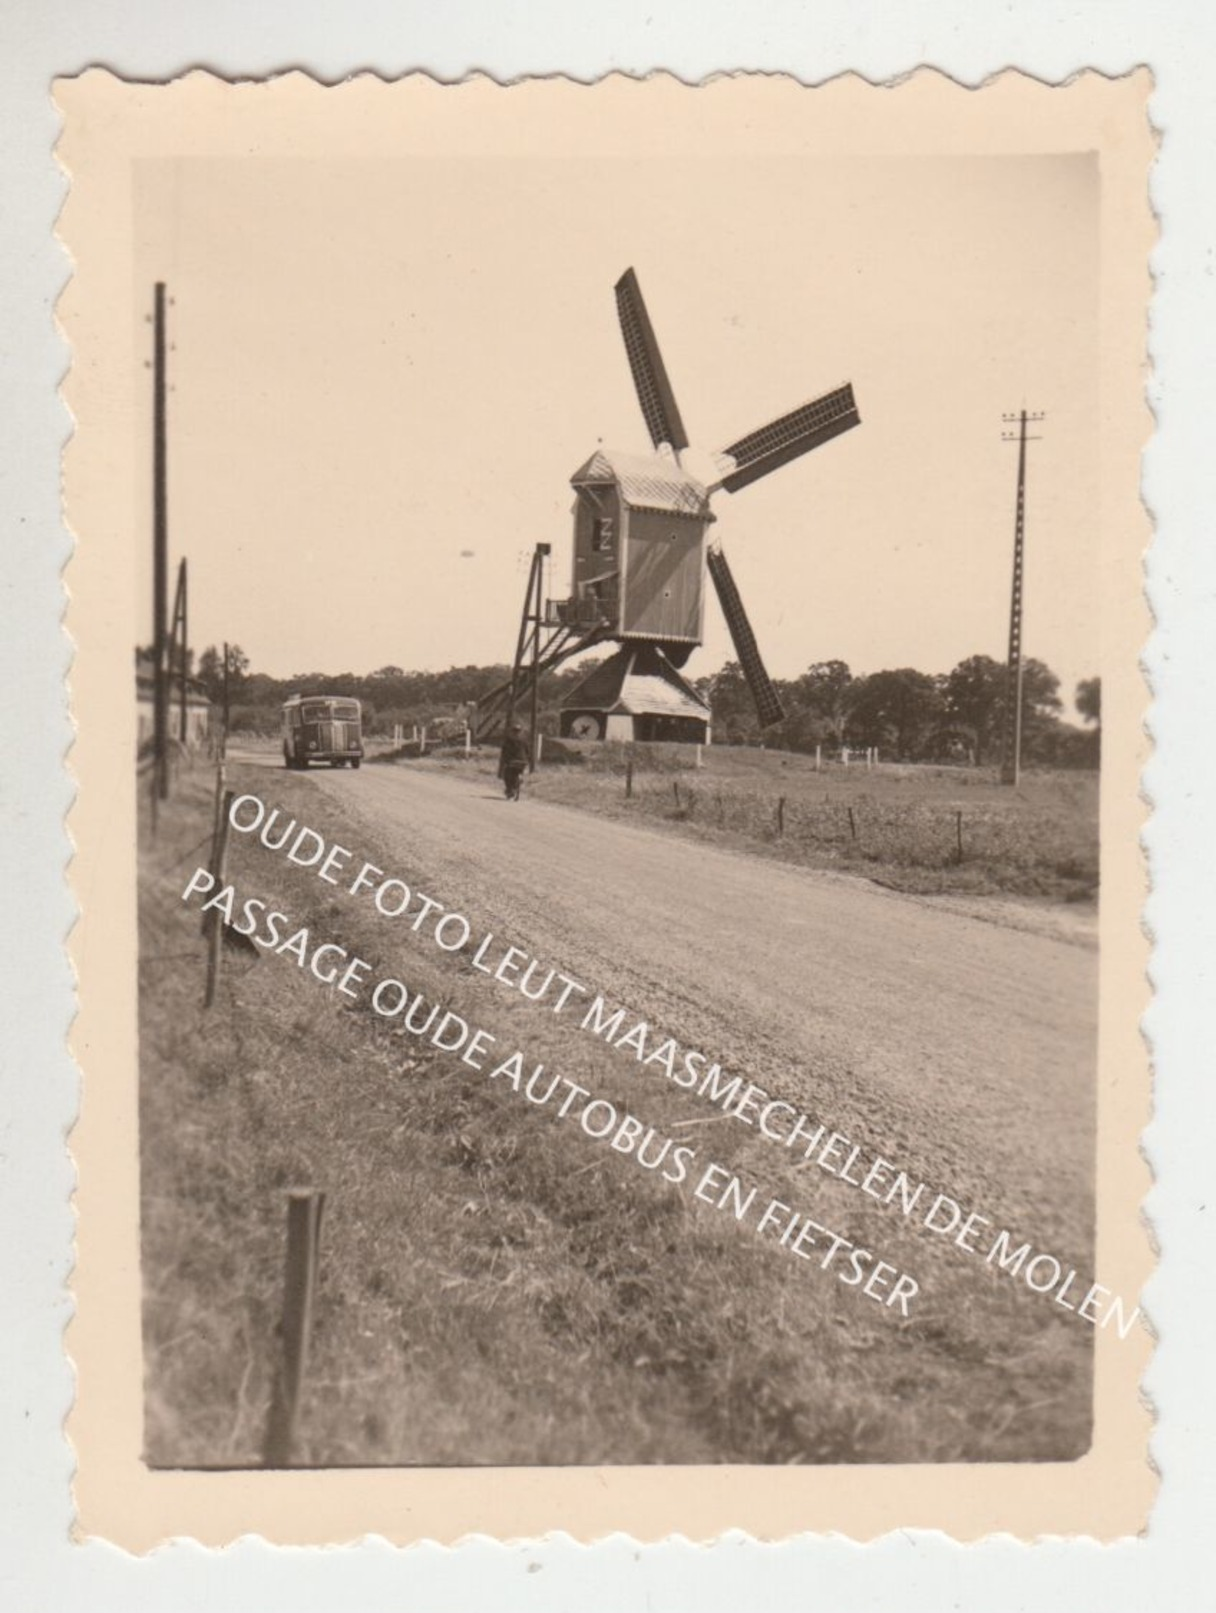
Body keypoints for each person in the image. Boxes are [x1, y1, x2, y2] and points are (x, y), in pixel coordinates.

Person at [499, 722, 530, 801]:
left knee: (507, 774)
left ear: (512, 731)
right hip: (523, 761)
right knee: (518, 772)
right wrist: (527, 760)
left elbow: (505, 751)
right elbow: (528, 751)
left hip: (513, 761)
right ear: (520, 731)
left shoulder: (509, 740)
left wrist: (504, 760)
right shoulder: (524, 740)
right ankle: (517, 785)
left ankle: (510, 789)